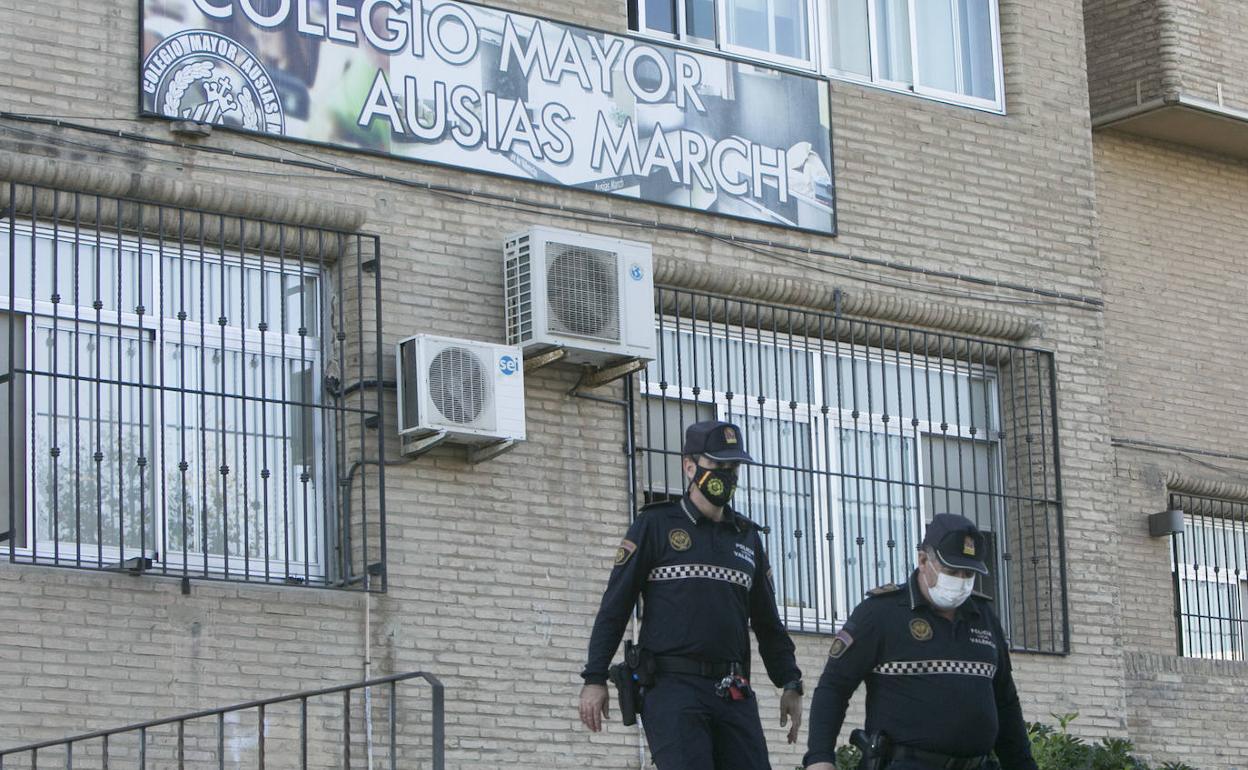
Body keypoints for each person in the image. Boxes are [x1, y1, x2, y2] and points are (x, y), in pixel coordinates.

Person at [579, 420, 804, 769]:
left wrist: (790, 681)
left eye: (733, 468)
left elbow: (767, 620)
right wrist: (595, 678)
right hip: (673, 689)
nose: (728, 476)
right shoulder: (655, 525)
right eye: (718, 466)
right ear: (690, 466)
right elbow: (615, 605)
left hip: (732, 689)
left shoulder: (746, 537)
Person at [803, 514, 1039, 770]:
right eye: (952, 571)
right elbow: (834, 686)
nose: (960, 581)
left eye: (968, 573)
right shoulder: (880, 613)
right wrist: (819, 757)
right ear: (924, 560)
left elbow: (1005, 701)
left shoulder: (984, 617)